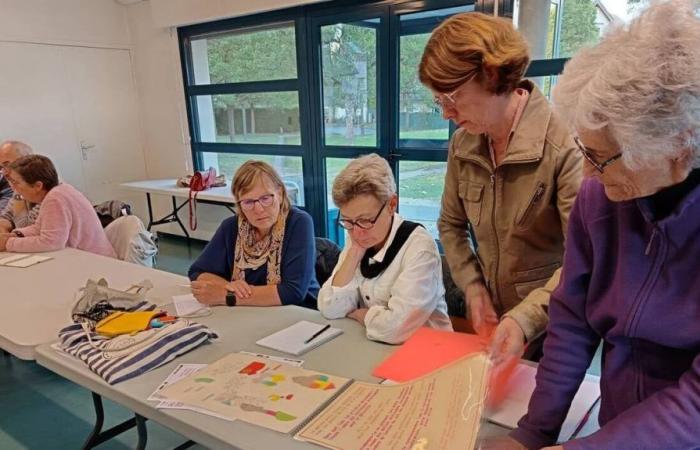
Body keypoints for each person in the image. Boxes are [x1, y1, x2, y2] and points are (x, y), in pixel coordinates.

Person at [503, 2, 700, 449]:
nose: (588, 176)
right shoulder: (600, 197)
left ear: (678, 145)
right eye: (584, 152)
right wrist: (533, 433)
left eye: (602, 157)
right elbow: (572, 321)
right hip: (615, 422)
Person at [418, 12, 582, 363]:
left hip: (556, 323)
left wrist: (525, 319)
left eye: (452, 96)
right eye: (438, 101)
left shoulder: (564, 146)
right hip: (495, 323)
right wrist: (474, 286)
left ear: (492, 75)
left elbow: (582, 261)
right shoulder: (464, 144)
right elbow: (450, 225)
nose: (446, 113)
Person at [318, 154, 452, 344]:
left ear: (391, 205)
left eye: (365, 220)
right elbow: (330, 308)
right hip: (373, 346)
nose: (356, 232)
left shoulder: (419, 247)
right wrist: (354, 254)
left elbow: (395, 329)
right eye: (347, 221)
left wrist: (364, 315)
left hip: (428, 352)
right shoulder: (358, 238)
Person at [188, 161, 319, 309]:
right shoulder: (231, 227)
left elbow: (293, 292)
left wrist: (228, 296)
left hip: (300, 313)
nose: (258, 209)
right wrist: (228, 287)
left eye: (265, 199)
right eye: (248, 202)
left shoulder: (299, 222)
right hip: (250, 312)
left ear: (280, 194)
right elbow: (197, 272)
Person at [0, 155, 116, 258]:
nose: (13, 188)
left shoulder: (55, 199)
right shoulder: (58, 191)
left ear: (38, 186)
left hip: (96, 261)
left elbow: (51, 242)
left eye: (16, 183)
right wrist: (16, 235)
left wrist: (8, 243)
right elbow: (39, 227)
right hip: (83, 257)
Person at [0, 140, 40, 231]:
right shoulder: (19, 186)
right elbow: (6, 216)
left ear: (28, 160)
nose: (4, 172)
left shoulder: (47, 187)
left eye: (7, 165)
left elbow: (26, 227)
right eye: (1, 167)